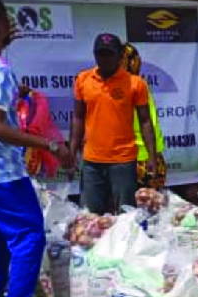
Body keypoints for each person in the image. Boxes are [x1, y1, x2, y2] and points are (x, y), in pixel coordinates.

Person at [0, 0, 72, 297]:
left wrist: (18, 95)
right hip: (4, 175)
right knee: (29, 236)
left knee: (1, 244)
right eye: (5, 20)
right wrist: (48, 145)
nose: (11, 27)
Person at [71, 33, 158, 214]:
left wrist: (152, 155)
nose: (105, 58)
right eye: (101, 53)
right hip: (91, 161)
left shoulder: (136, 83)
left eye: (110, 53)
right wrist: (72, 152)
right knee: (90, 217)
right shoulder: (82, 80)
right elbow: (78, 118)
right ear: (95, 55)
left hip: (123, 160)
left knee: (126, 216)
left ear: (120, 55)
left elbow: (145, 121)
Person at [121, 44, 167, 190]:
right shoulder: (137, 84)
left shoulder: (137, 84)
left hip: (140, 155)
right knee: (150, 206)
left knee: (130, 209)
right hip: (144, 155)